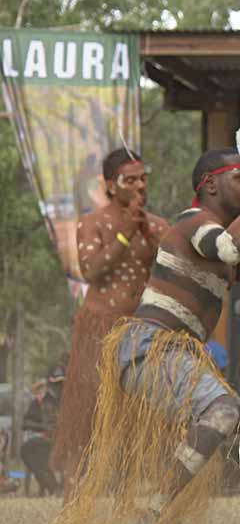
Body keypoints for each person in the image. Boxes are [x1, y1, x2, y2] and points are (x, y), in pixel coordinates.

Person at [58, 132, 240, 524]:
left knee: (215, 413)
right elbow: (232, 250)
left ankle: (153, 509)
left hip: (164, 350)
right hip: (145, 347)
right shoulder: (193, 222)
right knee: (220, 409)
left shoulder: (211, 240)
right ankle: (151, 510)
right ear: (211, 184)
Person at [51, 148, 167, 494]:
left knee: (141, 406)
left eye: (143, 178)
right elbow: (91, 270)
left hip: (143, 327)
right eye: (130, 180)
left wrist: (152, 235)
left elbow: (171, 271)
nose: (140, 186)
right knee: (86, 405)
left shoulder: (158, 225)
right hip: (100, 326)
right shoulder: (93, 223)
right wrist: (124, 234)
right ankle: (74, 486)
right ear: (110, 186)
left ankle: (136, 489)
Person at [21, 373, 63, 496]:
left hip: (50, 439)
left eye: (41, 389)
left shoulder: (52, 402)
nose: (39, 392)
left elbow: (53, 424)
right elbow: (24, 423)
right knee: (27, 451)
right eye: (37, 390)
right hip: (38, 438)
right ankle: (50, 484)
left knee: (30, 450)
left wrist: (39, 427)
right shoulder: (34, 404)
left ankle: (50, 485)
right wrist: (41, 427)